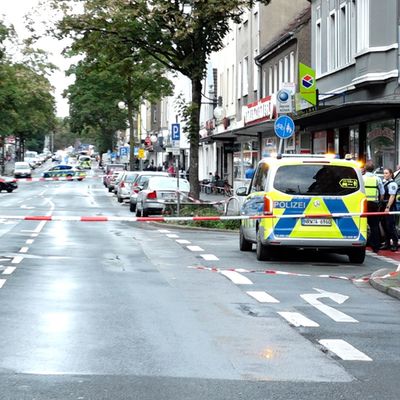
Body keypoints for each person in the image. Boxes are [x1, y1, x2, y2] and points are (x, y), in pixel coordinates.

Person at [362, 162, 384, 253]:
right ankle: (375, 246)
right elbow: (382, 193)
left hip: (363, 204)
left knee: (361, 224)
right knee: (374, 225)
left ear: (365, 169)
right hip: (374, 205)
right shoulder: (377, 179)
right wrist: (380, 202)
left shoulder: (362, 178)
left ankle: (363, 243)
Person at [381, 168, 399, 251]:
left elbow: (392, 196)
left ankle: (395, 244)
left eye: (387, 173)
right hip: (383, 206)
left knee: (390, 226)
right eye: (384, 173)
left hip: (389, 207)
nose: (385, 175)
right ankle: (387, 243)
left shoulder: (392, 184)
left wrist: (387, 207)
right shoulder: (384, 182)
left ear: (391, 174)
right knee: (384, 225)